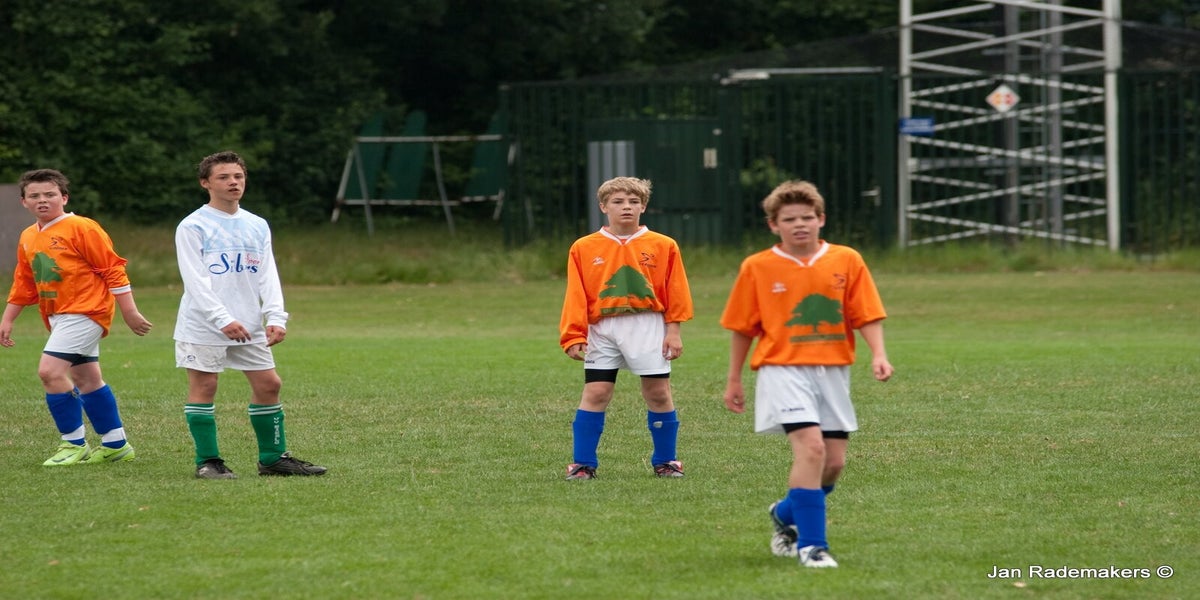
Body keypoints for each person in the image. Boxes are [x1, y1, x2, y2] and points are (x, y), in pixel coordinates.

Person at [720, 180, 894, 568]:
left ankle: (784, 513)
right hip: (781, 369)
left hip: (833, 371)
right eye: (789, 219)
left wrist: (879, 354)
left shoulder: (846, 259)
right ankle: (812, 547)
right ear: (773, 225)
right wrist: (734, 379)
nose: (799, 224)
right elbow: (742, 327)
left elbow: (865, 314)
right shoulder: (758, 267)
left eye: (807, 217)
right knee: (811, 449)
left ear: (821, 219)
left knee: (833, 463)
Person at [174, 151, 326, 479]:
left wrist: (276, 316)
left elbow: (267, 274)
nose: (233, 182)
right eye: (224, 177)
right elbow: (195, 280)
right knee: (205, 385)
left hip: (249, 323)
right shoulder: (193, 225)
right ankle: (208, 462)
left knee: (269, 384)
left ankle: (272, 459)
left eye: (238, 176)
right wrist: (222, 319)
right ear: (205, 183)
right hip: (204, 323)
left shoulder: (256, 224)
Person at [1, 169, 153, 466]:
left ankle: (73, 443)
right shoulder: (28, 236)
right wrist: (8, 319)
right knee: (87, 378)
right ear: (24, 202)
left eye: (50, 194)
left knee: (50, 372)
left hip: (86, 311)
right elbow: (24, 281)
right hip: (58, 315)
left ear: (64, 197)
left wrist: (130, 311)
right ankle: (116, 445)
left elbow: (112, 269)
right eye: (34, 195)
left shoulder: (82, 227)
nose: (42, 200)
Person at [559, 176, 694, 480]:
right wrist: (574, 334)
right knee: (597, 391)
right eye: (618, 201)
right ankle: (582, 464)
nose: (626, 207)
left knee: (658, 393)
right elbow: (576, 294)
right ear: (603, 206)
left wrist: (674, 331)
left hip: (648, 324)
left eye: (634, 201)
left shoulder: (663, 245)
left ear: (643, 207)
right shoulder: (583, 247)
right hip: (602, 328)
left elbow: (676, 290)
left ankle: (666, 461)